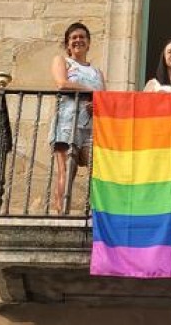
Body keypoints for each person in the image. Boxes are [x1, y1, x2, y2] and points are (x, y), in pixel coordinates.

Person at [49, 22, 105, 214]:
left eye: (82, 37)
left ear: (89, 43)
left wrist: (96, 103)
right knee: (66, 170)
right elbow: (62, 83)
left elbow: (103, 98)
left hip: (91, 125)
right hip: (67, 121)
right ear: (68, 44)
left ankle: (94, 213)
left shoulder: (97, 72)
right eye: (74, 38)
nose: (78, 40)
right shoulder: (62, 61)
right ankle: (61, 213)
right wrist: (90, 91)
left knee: (97, 169)